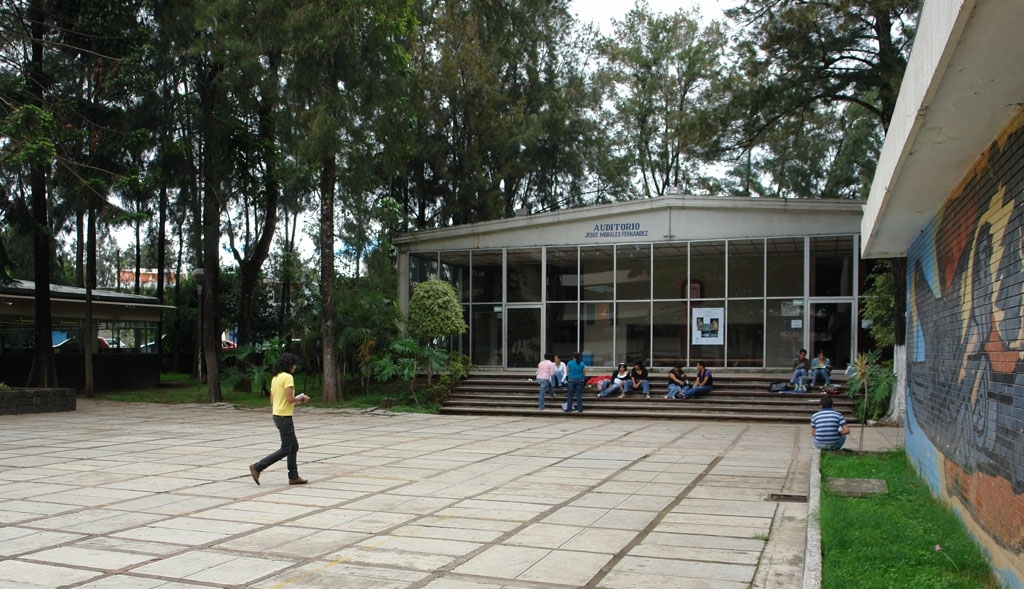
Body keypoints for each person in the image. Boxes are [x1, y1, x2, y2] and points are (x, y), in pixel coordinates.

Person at [250, 352, 309, 485]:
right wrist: (302, 399)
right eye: (294, 364)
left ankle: (293, 476)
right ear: (289, 365)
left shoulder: (275, 378)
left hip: (277, 414)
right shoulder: (288, 377)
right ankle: (258, 466)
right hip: (284, 416)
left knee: (293, 446)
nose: (295, 367)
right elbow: (289, 399)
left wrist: (296, 401)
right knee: (287, 448)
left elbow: (272, 399)